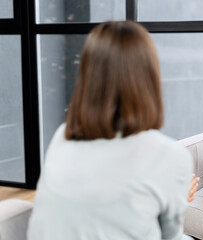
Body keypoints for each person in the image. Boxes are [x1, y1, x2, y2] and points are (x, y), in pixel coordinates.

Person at [27, 21, 194, 240]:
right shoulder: (171, 156)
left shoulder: (64, 135)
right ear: (149, 78)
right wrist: (177, 196)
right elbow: (170, 236)